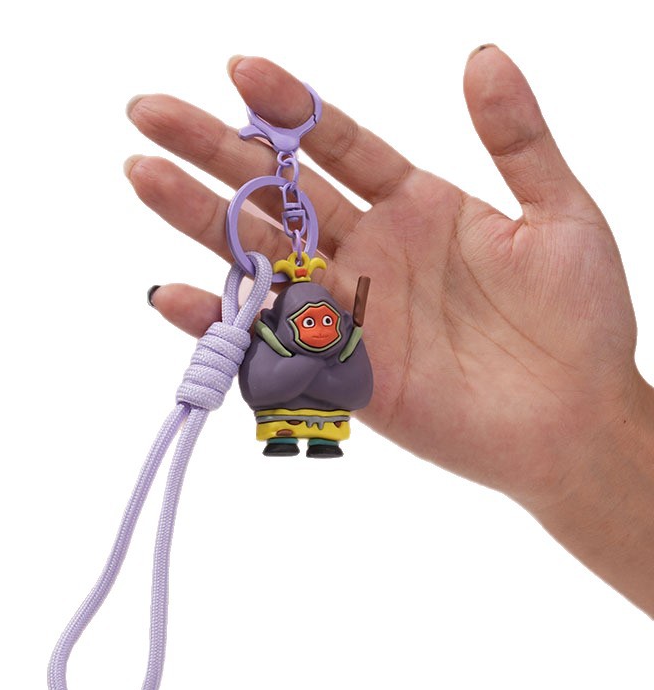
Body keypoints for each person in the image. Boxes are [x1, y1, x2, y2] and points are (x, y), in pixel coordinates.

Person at [123, 47, 654, 618]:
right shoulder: (282, 340)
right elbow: (264, 386)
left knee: (316, 415)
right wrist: (593, 441)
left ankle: (313, 435)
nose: (321, 327)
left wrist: (595, 432)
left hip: (321, 412)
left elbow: (351, 386)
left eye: (325, 321)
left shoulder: (344, 345)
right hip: (287, 409)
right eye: (311, 323)